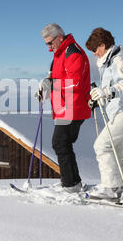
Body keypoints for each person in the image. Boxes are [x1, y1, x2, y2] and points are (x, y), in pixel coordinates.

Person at [85, 27, 123, 203]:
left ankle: (111, 189)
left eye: (95, 50)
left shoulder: (119, 60)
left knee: (102, 146)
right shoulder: (109, 62)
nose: (94, 54)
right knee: (118, 154)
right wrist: (99, 98)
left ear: (103, 45)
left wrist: (107, 92)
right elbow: (110, 92)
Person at [37, 23, 91, 193]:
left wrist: (51, 84)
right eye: (46, 44)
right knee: (63, 144)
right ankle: (73, 182)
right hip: (64, 107)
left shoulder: (73, 52)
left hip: (74, 106)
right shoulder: (58, 55)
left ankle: (70, 185)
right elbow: (54, 78)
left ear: (59, 37)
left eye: (50, 43)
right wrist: (44, 88)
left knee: (59, 143)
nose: (48, 48)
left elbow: (74, 82)